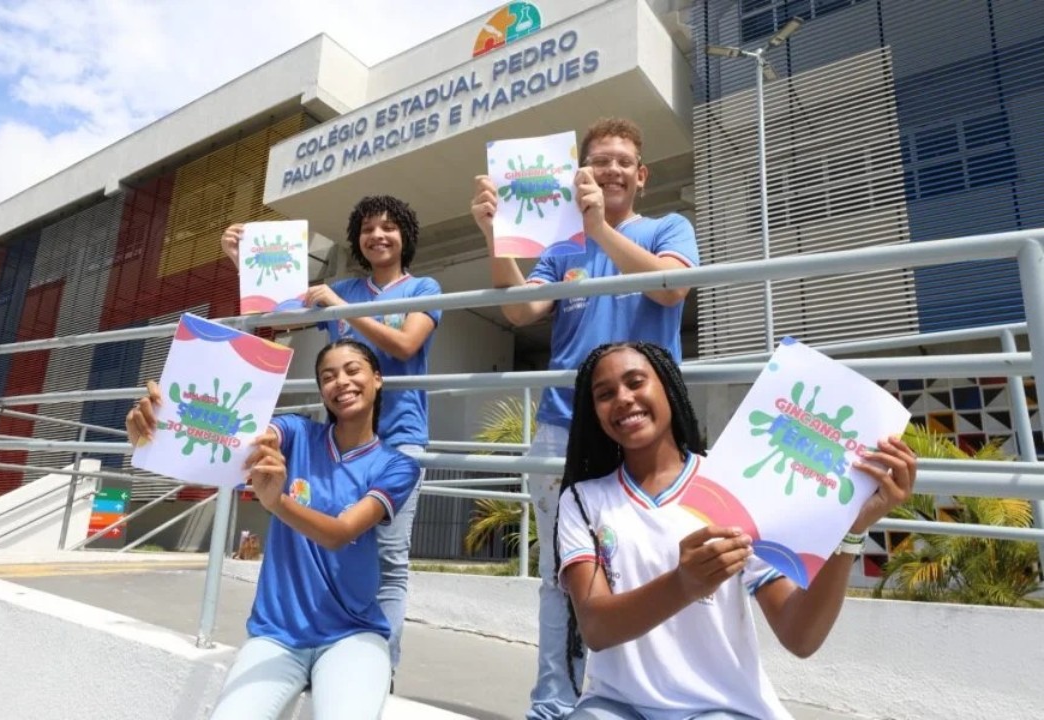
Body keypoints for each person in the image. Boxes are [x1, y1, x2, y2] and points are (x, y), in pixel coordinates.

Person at [469, 117, 700, 719]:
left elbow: (673, 289)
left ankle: (650, 697)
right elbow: (521, 313)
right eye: (600, 160)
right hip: (562, 426)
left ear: (642, 175)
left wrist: (599, 227)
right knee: (560, 577)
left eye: (624, 160)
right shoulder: (560, 247)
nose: (612, 169)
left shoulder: (668, 227)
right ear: (581, 173)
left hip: (648, 432)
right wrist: (497, 235)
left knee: (654, 565)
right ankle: (551, 703)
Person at [555, 341, 917, 720]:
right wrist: (683, 584)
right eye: (605, 394)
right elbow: (595, 626)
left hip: (718, 709)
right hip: (616, 707)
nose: (624, 399)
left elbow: (800, 636)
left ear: (667, 385)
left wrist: (851, 530)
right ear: (593, 412)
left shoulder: (735, 484)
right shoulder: (582, 500)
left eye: (636, 382)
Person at [125, 339, 420, 719]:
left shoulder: (395, 465)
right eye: (328, 377)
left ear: (377, 379)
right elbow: (241, 438)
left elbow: (339, 534)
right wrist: (158, 430)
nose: (341, 382)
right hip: (277, 636)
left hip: (353, 636)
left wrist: (277, 502)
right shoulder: (297, 433)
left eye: (352, 370)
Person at [221, 195, 441, 673]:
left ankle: (383, 666)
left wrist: (342, 307)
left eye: (388, 226)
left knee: (389, 559)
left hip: (397, 438)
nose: (378, 235)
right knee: (323, 539)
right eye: (367, 228)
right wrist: (246, 262)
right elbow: (276, 316)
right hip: (337, 440)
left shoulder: (423, 286)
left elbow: (405, 345)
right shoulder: (341, 288)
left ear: (405, 235)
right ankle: (321, 644)